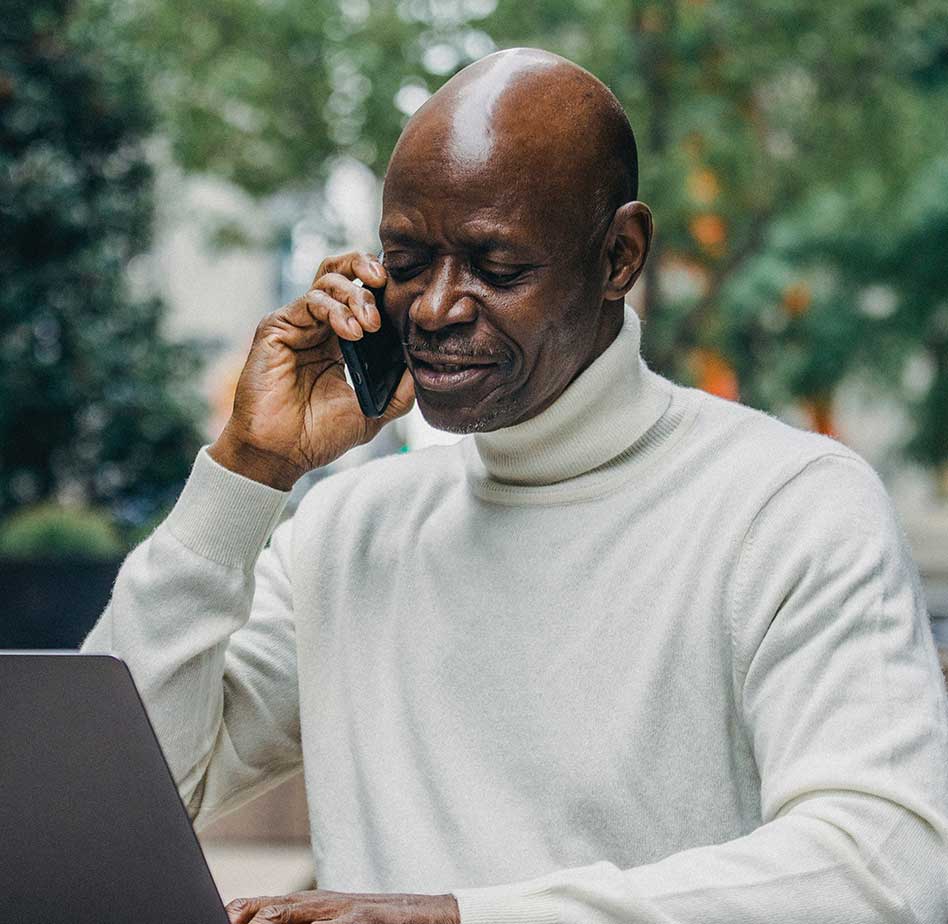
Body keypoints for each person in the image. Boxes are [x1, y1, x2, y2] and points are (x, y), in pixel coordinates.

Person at [81, 47, 948, 924]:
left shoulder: (791, 507)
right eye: (408, 260)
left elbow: (882, 869)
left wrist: (465, 917)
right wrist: (246, 471)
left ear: (619, 255)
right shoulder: (347, 532)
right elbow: (104, 810)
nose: (434, 308)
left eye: (496, 267)